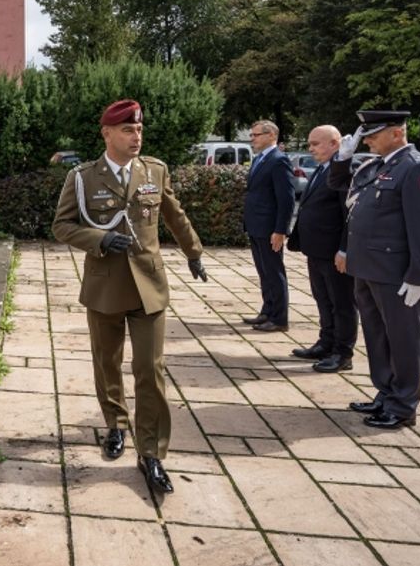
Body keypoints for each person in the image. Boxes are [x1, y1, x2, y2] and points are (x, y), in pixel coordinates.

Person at [52, 99, 208, 495]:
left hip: (149, 288)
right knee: (107, 364)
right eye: (127, 130)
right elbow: (63, 226)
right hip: (105, 285)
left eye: (139, 130)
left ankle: (151, 452)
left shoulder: (155, 170)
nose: (136, 136)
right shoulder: (83, 178)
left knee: (149, 370)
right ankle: (116, 425)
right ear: (107, 134)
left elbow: (174, 214)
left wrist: (194, 252)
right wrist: (100, 238)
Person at [327, 110, 420, 429]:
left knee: (403, 338)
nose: (368, 140)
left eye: (374, 134)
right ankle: (386, 393)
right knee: (378, 336)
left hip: (396, 272)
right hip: (367, 268)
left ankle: (404, 404)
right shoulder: (379, 165)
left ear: (396, 133)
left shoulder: (416, 167)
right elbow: (337, 183)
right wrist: (342, 156)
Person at [287, 126, 357, 372]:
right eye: (310, 143)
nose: (311, 149)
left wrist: (345, 250)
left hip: (333, 252)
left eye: (316, 144)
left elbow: (349, 215)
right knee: (323, 300)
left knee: (342, 304)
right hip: (315, 250)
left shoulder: (344, 173)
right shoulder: (321, 169)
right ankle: (326, 343)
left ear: (335, 143)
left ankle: (342, 353)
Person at [241, 120, 294, 332]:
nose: (252, 139)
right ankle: (267, 310)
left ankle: (279, 318)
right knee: (264, 271)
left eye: (256, 135)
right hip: (256, 225)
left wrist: (280, 229)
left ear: (271, 135)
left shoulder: (279, 160)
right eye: (251, 135)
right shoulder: (260, 159)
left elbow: (286, 198)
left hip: (269, 227)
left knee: (274, 271)